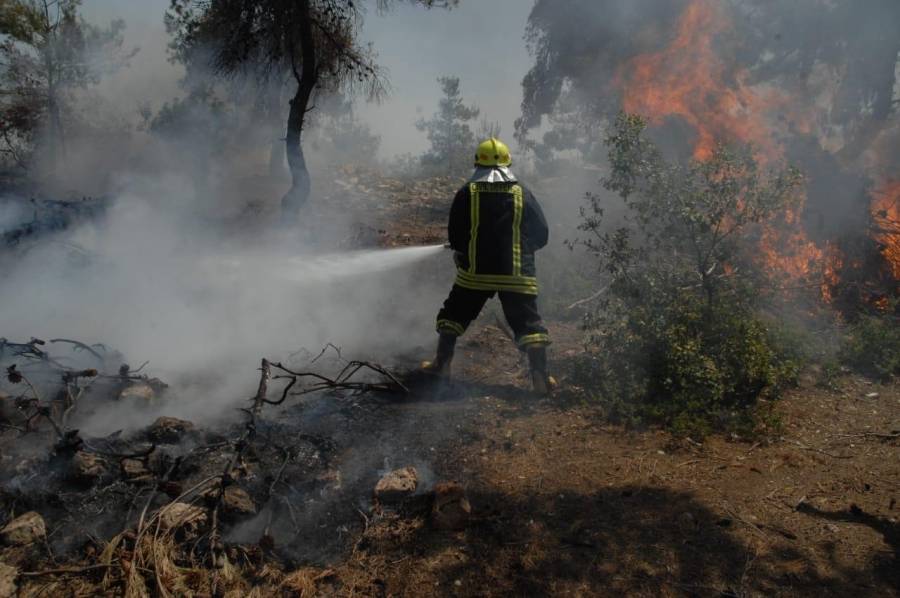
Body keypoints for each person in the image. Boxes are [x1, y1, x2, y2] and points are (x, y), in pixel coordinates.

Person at [422, 137, 555, 395]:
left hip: (475, 275)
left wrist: (463, 252)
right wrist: (525, 251)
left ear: (477, 163)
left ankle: (442, 365)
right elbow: (542, 233)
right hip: (517, 274)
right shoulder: (522, 192)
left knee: (453, 314)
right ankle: (541, 380)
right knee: (530, 325)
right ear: (507, 163)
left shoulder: (467, 192)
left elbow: (456, 234)